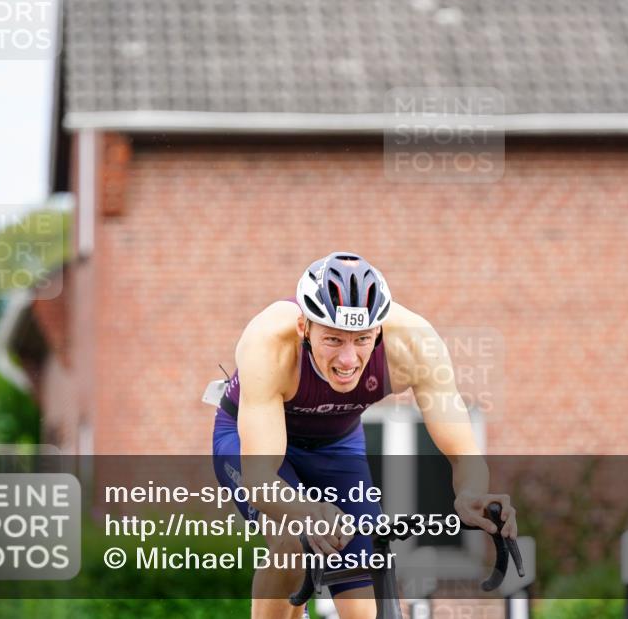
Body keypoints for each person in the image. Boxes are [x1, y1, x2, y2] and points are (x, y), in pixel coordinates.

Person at [212, 252, 517, 619]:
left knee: (366, 599)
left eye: (361, 339)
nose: (348, 358)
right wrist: (310, 511)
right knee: (292, 547)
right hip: (251, 440)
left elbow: (463, 452)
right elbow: (260, 480)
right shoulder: (268, 343)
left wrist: (472, 494)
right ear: (303, 328)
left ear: (380, 330)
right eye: (333, 340)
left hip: (336, 444)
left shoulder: (415, 345)